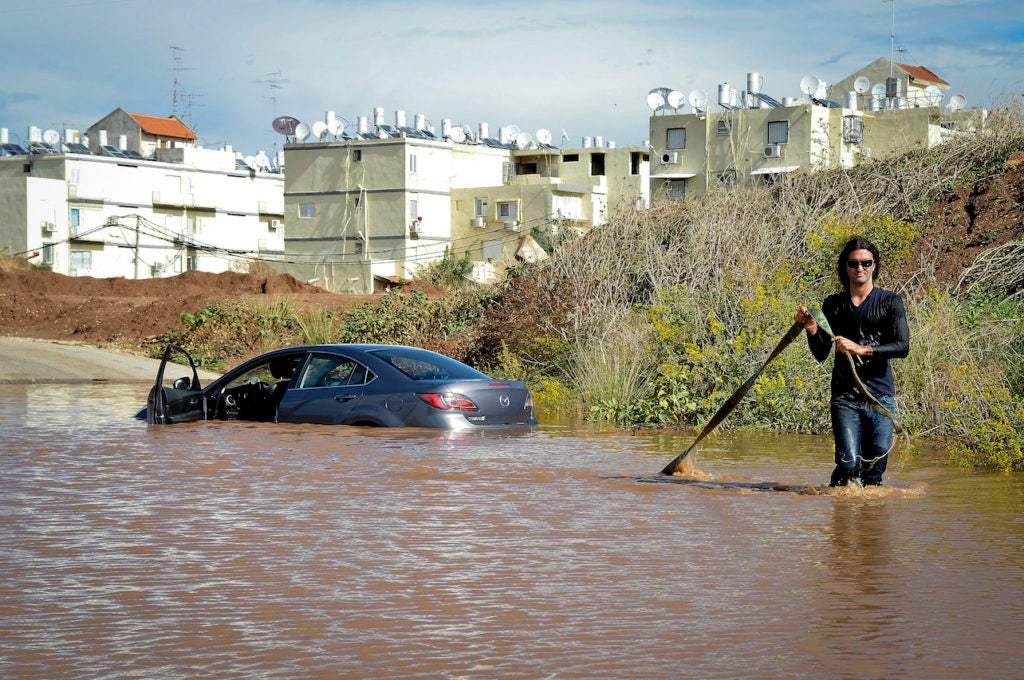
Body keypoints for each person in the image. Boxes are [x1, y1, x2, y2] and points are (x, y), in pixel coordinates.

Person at [795, 237, 910, 486]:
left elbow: (903, 347)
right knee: (848, 465)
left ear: (875, 266)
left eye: (866, 263)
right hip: (845, 397)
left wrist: (861, 349)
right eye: (854, 263)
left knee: (874, 470)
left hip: (880, 396)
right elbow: (821, 353)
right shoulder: (833, 305)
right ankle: (842, 515)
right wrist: (811, 328)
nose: (860, 268)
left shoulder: (891, 302)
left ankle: (869, 522)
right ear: (845, 267)